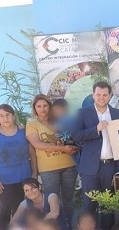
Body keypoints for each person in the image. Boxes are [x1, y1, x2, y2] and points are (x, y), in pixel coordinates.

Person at [71, 82, 119, 230]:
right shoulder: (82, 113)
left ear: (110, 95)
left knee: (109, 205)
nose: (101, 98)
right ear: (93, 95)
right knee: (89, 205)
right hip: (90, 167)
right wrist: (96, 129)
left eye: (105, 95)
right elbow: (75, 136)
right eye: (98, 94)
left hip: (111, 166)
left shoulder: (118, 114)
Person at [25, 95, 79, 223]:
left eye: (45, 105)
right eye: (39, 106)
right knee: (50, 200)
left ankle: (69, 227)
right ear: (34, 108)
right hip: (48, 169)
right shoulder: (32, 125)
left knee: (68, 200)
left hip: (69, 165)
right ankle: (52, 229)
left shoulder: (60, 121)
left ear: (50, 107)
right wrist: (63, 148)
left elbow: (73, 137)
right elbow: (37, 144)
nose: (42, 109)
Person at [0, 104, 33, 227]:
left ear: (13, 116)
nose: (5, 118)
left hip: (24, 179)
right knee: (5, 210)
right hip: (4, 181)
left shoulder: (23, 132)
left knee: (21, 210)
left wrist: (35, 173)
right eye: (1, 116)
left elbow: (32, 153)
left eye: (8, 115)